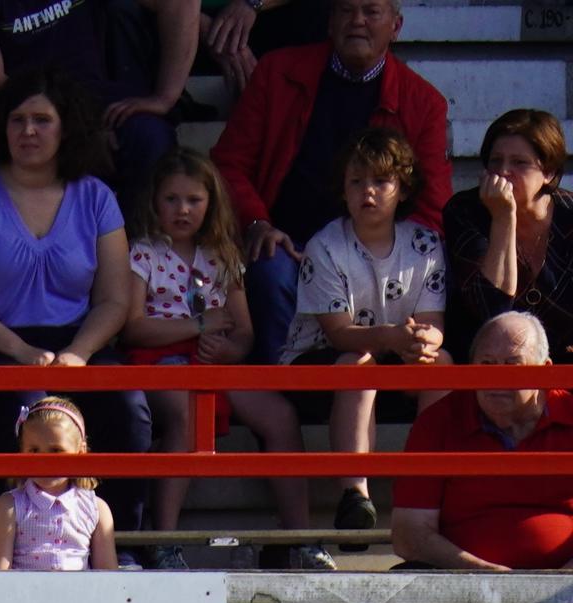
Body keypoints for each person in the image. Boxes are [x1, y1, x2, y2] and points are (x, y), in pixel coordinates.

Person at [212, 0, 446, 389]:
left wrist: (380, 256)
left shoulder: (424, 103)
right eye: (345, 11)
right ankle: (281, 397)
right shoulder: (276, 72)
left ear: (396, 25)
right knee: (270, 270)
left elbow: (431, 207)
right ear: (329, 21)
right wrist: (257, 222)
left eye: (371, 12)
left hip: (374, 252)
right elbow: (227, 164)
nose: (357, 21)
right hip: (288, 242)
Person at [0, 75, 143, 485]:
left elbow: (115, 300)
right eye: (17, 119)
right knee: (29, 409)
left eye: (42, 120)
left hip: (73, 343)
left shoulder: (97, 196)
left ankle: (122, 542)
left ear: (67, 128)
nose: (27, 130)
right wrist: (20, 351)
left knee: (127, 405)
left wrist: (79, 352)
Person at [276, 123, 442, 538]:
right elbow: (340, 335)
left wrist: (425, 341)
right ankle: (355, 493)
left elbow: (435, 325)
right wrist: (391, 337)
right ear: (343, 191)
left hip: (394, 355)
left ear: (403, 189)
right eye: (356, 182)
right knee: (357, 361)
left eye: (381, 181)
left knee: (444, 363)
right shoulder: (326, 246)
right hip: (315, 366)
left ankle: (430, 483)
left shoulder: (425, 243)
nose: (368, 191)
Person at [0, 0, 195, 212]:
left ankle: (140, 262)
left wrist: (166, 96)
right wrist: (79, 133)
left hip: (92, 104)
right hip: (7, 117)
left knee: (149, 137)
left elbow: (180, 4)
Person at [120, 146, 247, 559]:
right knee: (186, 415)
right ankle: (164, 539)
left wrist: (226, 349)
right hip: (158, 361)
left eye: (194, 200)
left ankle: (301, 538)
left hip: (210, 363)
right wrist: (198, 325)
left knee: (279, 414)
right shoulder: (143, 253)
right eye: (171, 199)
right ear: (155, 202)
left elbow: (245, 333)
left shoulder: (223, 256)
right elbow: (133, 327)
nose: (183, 209)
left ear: (211, 204)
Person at [389, 312, 573, 572]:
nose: (497, 378)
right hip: (464, 581)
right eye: (486, 364)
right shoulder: (439, 421)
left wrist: (561, 579)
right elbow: (410, 534)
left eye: (512, 365)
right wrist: (486, 574)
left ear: (546, 370)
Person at [443, 108, 568, 354]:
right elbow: (492, 309)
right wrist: (503, 217)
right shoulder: (464, 212)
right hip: (488, 361)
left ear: (548, 172)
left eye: (519, 163)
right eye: (495, 161)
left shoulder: (569, 216)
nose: (503, 171)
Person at [0, 391, 112, 565]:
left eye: (56, 450)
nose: (44, 460)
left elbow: (108, 578)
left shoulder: (96, 509)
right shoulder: (9, 507)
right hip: (25, 592)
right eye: (34, 450)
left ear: (80, 452)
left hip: (78, 593)